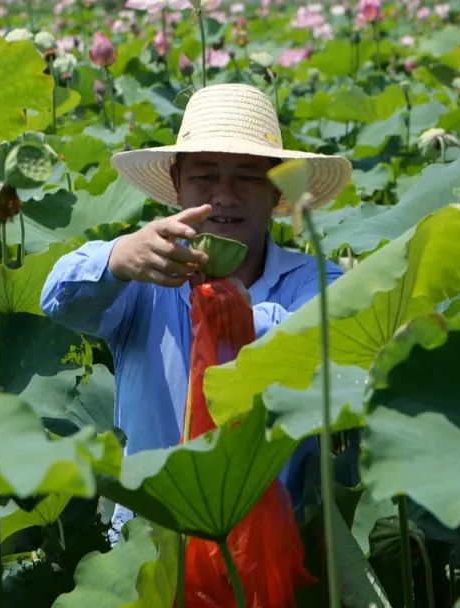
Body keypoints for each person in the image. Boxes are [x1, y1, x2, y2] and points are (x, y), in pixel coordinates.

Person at [39, 83, 353, 533]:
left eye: (247, 177)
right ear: (176, 184)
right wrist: (117, 259)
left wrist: (233, 307)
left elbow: (324, 341)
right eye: (204, 176)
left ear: (276, 192)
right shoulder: (142, 277)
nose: (224, 195)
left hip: (279, 543)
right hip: (149, 539)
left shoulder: (316, 281)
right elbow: (57, 300)